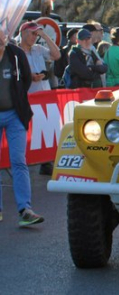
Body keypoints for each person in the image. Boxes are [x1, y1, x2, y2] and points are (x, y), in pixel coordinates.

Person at [0, 27, 45, 226]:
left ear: (6, 40)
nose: (1, 46)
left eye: (2, 42)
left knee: (18, 160)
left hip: (15, 114)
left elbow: (25, 79)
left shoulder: (16, 54)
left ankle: (25, 210)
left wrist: (17, 100)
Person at [17, 22, 60, 94]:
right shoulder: (16, 52)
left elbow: (57, 55)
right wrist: (30, 77)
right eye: (33, 33)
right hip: (29, 96)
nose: (35, 37)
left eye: (37, 35)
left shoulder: (38, 48)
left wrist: (44, 36)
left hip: (45, 94)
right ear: (23, 33)